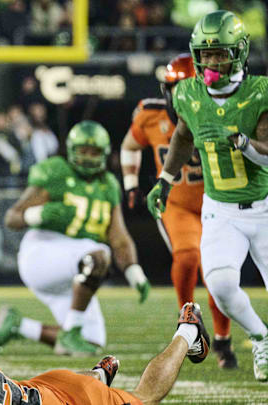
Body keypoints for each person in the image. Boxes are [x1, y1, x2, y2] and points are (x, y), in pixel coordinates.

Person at [146, 10, 268, 382]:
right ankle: (261, 337)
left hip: (263, 207)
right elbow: (183, 135)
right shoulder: (188, 93)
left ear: (240, 53)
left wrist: (243, 143)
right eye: (207, 54)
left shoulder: (258, 92)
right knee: (221, 286)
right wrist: (165, 179)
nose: (213, 61)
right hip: (220, 211)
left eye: (220, 53)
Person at [0, 121, 150, 357]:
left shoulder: (108, 185)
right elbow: (12, 218)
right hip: (44, 252)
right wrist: (39, 214)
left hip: (74, 272)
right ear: (72, 150)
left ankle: (17, 325)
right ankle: (71, 330)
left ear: (104, 153)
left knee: (92, 342)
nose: (88, 157)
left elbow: (118, 236)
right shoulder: (57, 171)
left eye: (94, 151)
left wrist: (134, 271)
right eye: (83, 150)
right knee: (98, 254)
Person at [121, 54, 236, 368]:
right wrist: (131, 183)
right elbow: (130, 145)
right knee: (188, 257)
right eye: (179, 90)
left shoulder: (222, 112)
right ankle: (186, 321)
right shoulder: (150, 115)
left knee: (218, 274)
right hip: (178, 204)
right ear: (167, 91)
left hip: (218, 203)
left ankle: (223, 340)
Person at [0, 307, 209, 405]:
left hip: (74, 398)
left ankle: (187, 332)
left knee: (145, 397)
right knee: (84, 385)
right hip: (47, 385)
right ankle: (99, 375)